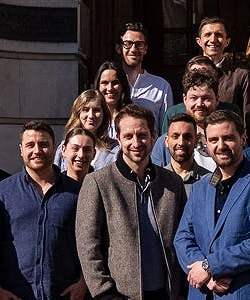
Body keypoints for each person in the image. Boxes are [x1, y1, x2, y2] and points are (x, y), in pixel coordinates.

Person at [76, 104, 189, 299]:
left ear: (154, 135)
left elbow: (184, 236)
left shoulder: (172, 183)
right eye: (128, 136)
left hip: (166, 292)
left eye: (142, 135)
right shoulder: (98, 182)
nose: (136, 142)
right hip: (119, 294)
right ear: (119, 138)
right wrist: (104, 293)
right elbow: (87, 245)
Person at [175, 110, 250, 299]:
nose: (221, 146)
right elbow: (183, 238)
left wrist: (210, 266)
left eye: (228, 138)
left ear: (243, 138)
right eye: (214, 140)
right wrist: (204, 272)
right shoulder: (200, 188)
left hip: (245, 292)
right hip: (203, 291)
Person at [0, 121, 88, 300]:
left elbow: (92, 243)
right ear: (21, 149)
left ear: (55, 147)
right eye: (30, 145)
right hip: (15, 294)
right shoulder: (2, 193)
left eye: (44, 145)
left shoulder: (77, 193)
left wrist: (83, 283)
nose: (37, 151)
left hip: (65, 294)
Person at [195, 17, 250, 127]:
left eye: (218, 35)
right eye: (208, 35)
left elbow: (249, 118)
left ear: (227, 41)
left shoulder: (241, 76)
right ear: (199, 41)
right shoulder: (189, 73)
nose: (213, 40)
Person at [121, 22, 175, 128]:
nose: (133, 49)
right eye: (127, 43)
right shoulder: (111, 84)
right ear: (118, 48)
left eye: (139, 44)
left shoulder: (161, 86)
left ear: (145, 49)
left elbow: (166, 130)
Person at [58, 89, 118, 170]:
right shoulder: (65, 146)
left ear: (104, 114)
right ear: (78, 113)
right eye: (85, 110)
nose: (91, 116)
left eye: (96, 110)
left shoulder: (115, 149)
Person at [164, 113, 212, 191]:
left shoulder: (209, 182)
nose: (181, 143)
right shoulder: (155, 180)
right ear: (166, 141)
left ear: (196, 141)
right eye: (175, 136)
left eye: (187, 137)